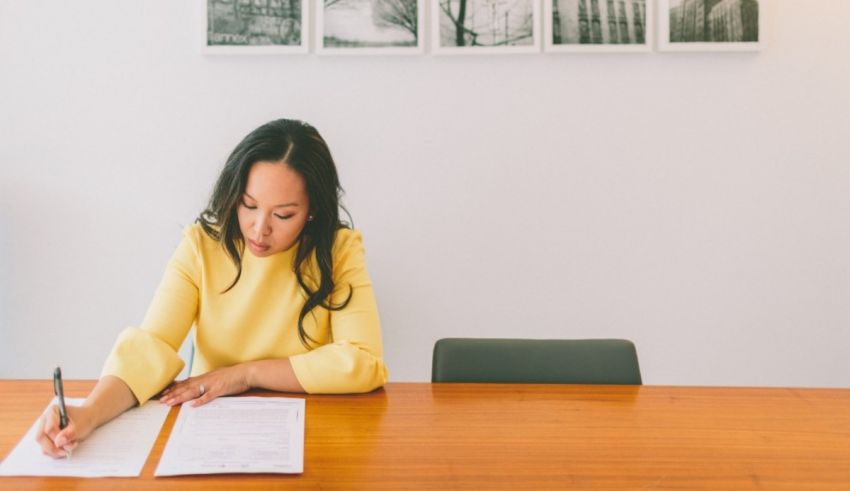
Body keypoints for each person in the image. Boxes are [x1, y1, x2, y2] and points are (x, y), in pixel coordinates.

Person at [36, 119, 388, 458]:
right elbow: (151, 347)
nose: (258, 229)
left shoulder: (337, 250)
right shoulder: (202, 245)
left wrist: (245, 375)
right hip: (209, 429)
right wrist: (90, 413)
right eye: (248, 206)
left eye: (283, 215)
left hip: (313, 430)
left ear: (312, 211)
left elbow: (363, 361)